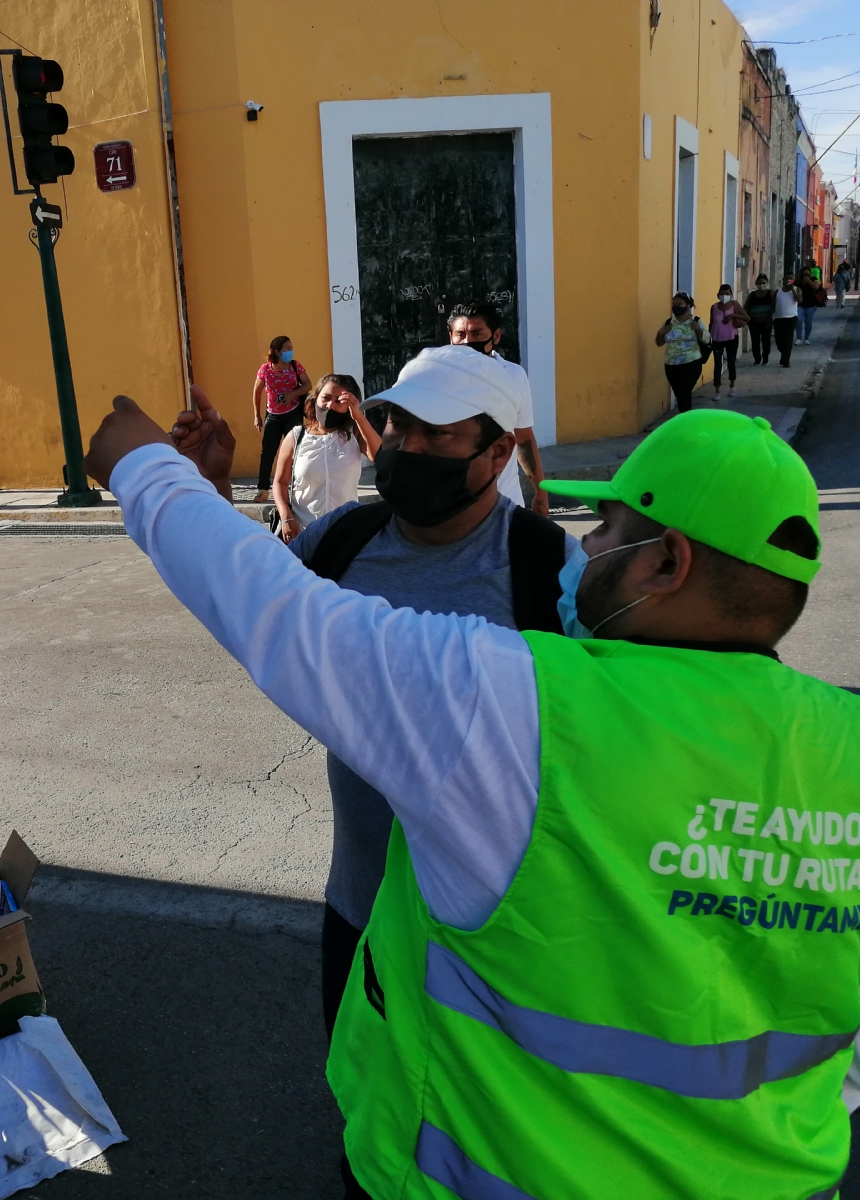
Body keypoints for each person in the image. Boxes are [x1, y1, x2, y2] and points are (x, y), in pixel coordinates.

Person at [87, 394, 860, 1200]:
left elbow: (278, 614)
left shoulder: (518, 707)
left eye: (609, 526)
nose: (587, 543)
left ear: (666, 561)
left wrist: (143, 466)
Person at [282, 345, 576, 1052]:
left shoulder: (548, 566)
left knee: (477, 1129)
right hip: (360, 907)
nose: (408, 448)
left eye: (437, 434)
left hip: (493, 925)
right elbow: (245, 607)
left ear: (499, 449)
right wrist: (196, 483)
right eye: (398, 425)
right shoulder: (340, 543)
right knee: (362, 1103)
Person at [446, 302, 549, 515]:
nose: (467, 342)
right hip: (453, 507)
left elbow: (523, 437)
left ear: (496, 337)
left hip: (506, 503)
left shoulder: (513, 376)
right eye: (461, 335)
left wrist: (540, 491)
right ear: (451, 337)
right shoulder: (435, 377)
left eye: (477, 334)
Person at [272, 374, 380, 543]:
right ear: (315, 399)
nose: (331, 405)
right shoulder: (296, 436)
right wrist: (286, 517)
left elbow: (379, 455)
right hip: (303, 534)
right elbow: (280, 482)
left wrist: (359, 416)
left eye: (339, 401)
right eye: (326, 398)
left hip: (345, 533)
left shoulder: (354, 435)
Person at [252, 335, 311, 503]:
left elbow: (308, 385)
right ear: (277, 352)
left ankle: (297, 489)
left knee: (297, 452)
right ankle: (263, 489)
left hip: (293, 413)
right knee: (268, 453)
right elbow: (256, 392)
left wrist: (292, 394)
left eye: (291, 348)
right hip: (273, 416)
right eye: (287, 348)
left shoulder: (295, 366)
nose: (290, 351)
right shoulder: (265, 370)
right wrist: (257, 415)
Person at [655, 292, 710, 412]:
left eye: (679, 304)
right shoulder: (669, 323)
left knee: (685, 392)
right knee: (679, 394)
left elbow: (707, 339)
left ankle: (686, 419)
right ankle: (684, 417)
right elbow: (659, 343)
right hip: (671, 365)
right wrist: (660, 333)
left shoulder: (695, 321)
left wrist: (698, 329)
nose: (675, 307)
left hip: (691, 363)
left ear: (688, 305)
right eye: (673, 304)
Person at [707, 285, 748, 396]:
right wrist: (708, 337)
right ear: (718, 295)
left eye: (727, 294)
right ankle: (717, 390)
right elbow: (711, 323)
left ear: (731, 295)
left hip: (732, 338)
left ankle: (732, 385)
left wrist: (733, 315)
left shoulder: (734, 305)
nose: (724, 296)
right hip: (717, 339)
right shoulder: (714, 307)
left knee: (731, 362)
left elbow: (747, 317)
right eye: (722, 293)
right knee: (718, 364)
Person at [744, 273, 776, 365]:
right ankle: (757, 359)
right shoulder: (752, 295)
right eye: (759, 283)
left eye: (763, 283)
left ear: (767, 283)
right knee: (755, 341)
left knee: (766, 341)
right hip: (753, 322)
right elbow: (746, 307)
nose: (762, 285)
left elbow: (775, 306)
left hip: (766, 322)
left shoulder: (771, 293)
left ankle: (765, 358)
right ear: (756, 284)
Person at [773, 274, 799, 367]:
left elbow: (799, 300)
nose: (788, 280)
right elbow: (773, 305)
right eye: (787, 278)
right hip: (779, 318)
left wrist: (792, 289)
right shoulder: (777, 291)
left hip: (791, 318)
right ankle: (783, 353)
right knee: (779, 340)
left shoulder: (796, 289)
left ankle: (786, 360)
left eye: (791, 278)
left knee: (788, 339)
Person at [795, 272, 822, 346]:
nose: (805, 275)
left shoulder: (813, 280)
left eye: (807, 273)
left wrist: (808, 281)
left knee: (808, 321)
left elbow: (816, 287)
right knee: (799, 320)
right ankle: (799, 338)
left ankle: (806, 338)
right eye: (804, 273)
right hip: (800, 305)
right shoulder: (798, 282)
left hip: (811, 305)